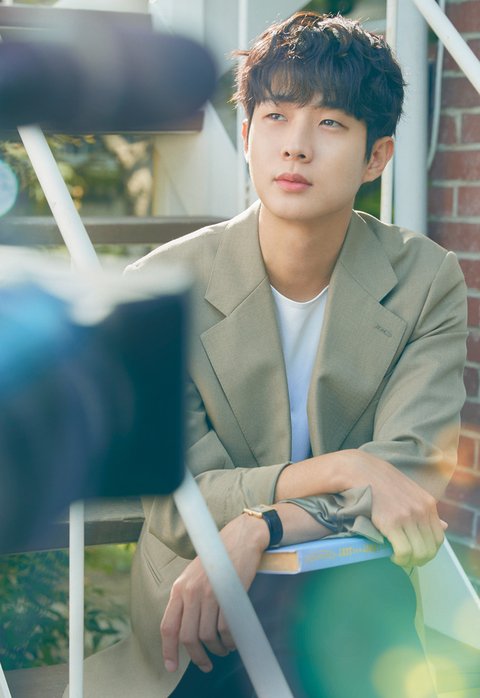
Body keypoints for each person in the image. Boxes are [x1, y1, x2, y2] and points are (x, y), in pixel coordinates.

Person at [76, 11, 467, 698]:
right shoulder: (162, 287)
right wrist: (347, 468)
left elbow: (409, 472)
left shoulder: (426, 280)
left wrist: (264, 524)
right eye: (277, 117)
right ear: (248, 134)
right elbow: (177, 500)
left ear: (377, 157)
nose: (296, 147)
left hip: (349, 583)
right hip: (200, 601)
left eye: (331, 123)